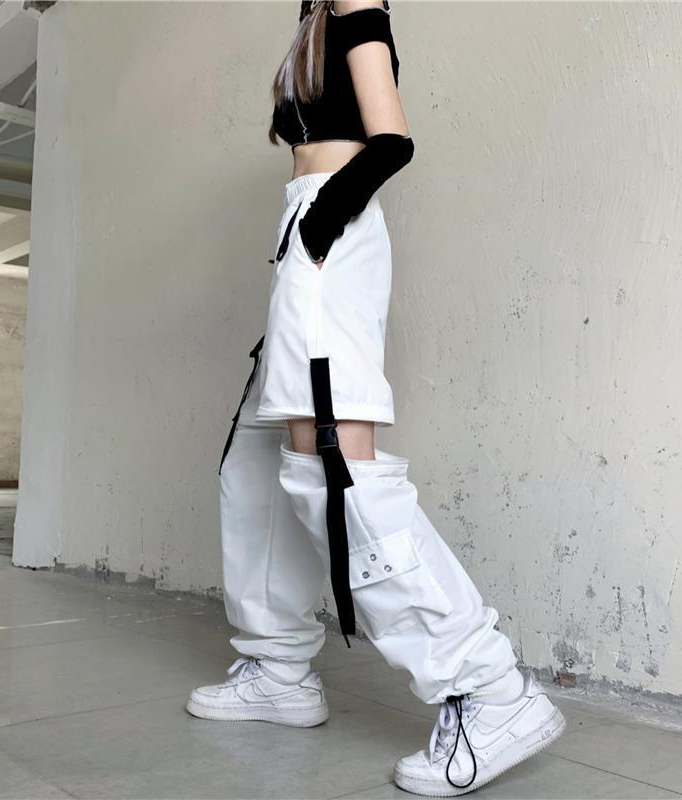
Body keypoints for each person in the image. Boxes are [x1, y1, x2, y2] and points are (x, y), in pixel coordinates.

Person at [186, 1, 565, 795]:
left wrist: (319, 230)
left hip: (328, 228)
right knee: (255, 462)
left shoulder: (357, 0)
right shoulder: (315, 10)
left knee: (336, 475)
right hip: (307, 231)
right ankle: (279, 669)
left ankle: (491, 690)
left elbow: (391, 139)